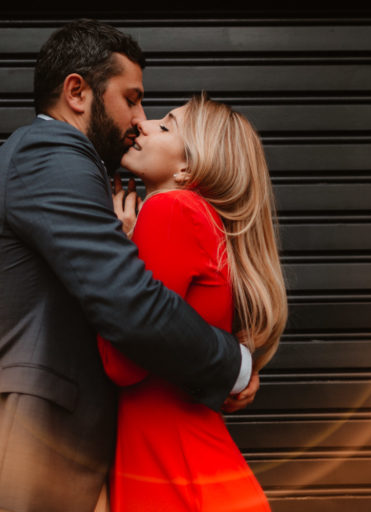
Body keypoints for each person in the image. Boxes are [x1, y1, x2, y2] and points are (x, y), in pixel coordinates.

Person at [0, 20, 257, 512]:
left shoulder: (67, 166)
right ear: (77, 92)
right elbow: (130, 304)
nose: (139, 118)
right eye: (131, 99)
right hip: (12, 473)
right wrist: (233, 364)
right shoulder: (51, 154)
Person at [98, 92, 288, 511]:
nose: (143, 124)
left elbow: (122, 365)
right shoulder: (203, 220)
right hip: (193, 472)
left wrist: (112, 251)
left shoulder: (169, 210)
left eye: (165, 126)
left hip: (174, 477)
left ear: (188, 167)